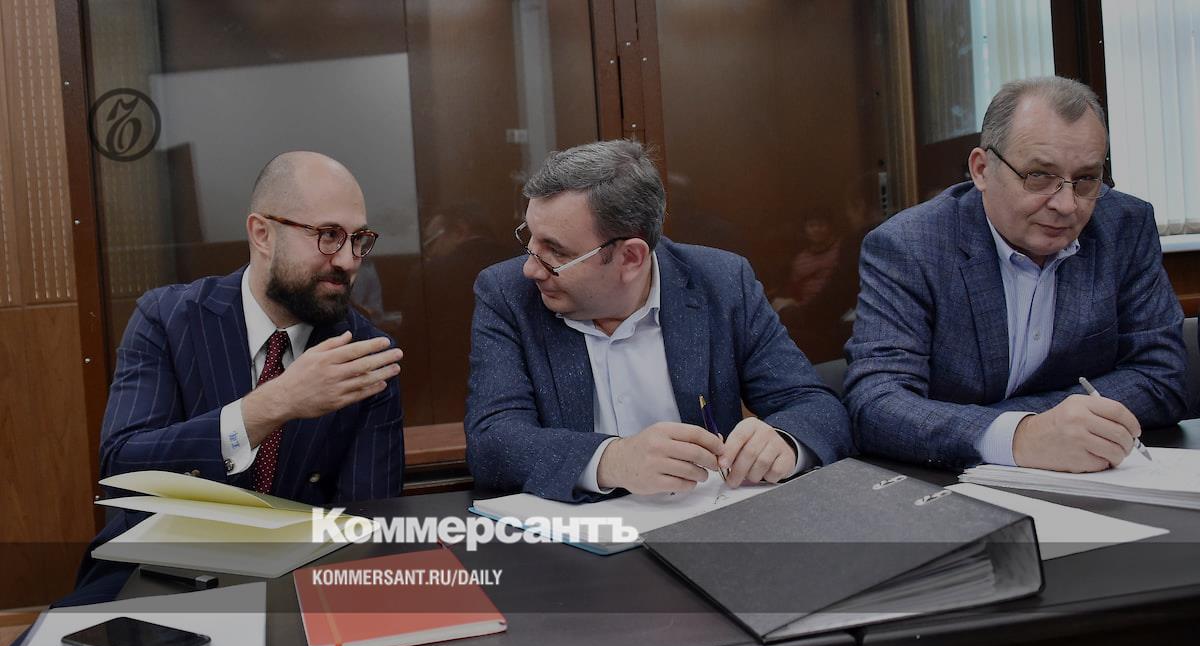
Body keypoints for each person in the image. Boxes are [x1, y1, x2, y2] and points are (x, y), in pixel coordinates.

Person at [74, 150, 407, 604]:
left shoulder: (365, 355)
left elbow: (367, 522)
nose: (349, 260)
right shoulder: (167, 319)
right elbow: (122, 467)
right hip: (155, 574)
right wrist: (271, 405)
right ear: (262, 234)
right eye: (329, 236)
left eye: (359, 239)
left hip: (298, 588)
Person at [466, 139, 852, 503]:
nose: (531, 268)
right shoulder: (508, 294)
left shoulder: (720, 283)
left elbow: (813, 406)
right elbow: (492, 442)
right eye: (530, 240)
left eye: (555, 251)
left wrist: (784, 442)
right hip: (577, 531)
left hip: (703, 522)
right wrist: (612, 460)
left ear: (631, 258)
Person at [844, 76, 1187, 472]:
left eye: (1086, 179)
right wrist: (1018, 436)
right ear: (981, 169)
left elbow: (1163, 377)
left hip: (1095, 478)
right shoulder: (911, 246)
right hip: (950, 486)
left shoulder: (1124, 225)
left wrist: (1035, 427)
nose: (1066, 204)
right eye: (1039, 176)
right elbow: (875, 403)